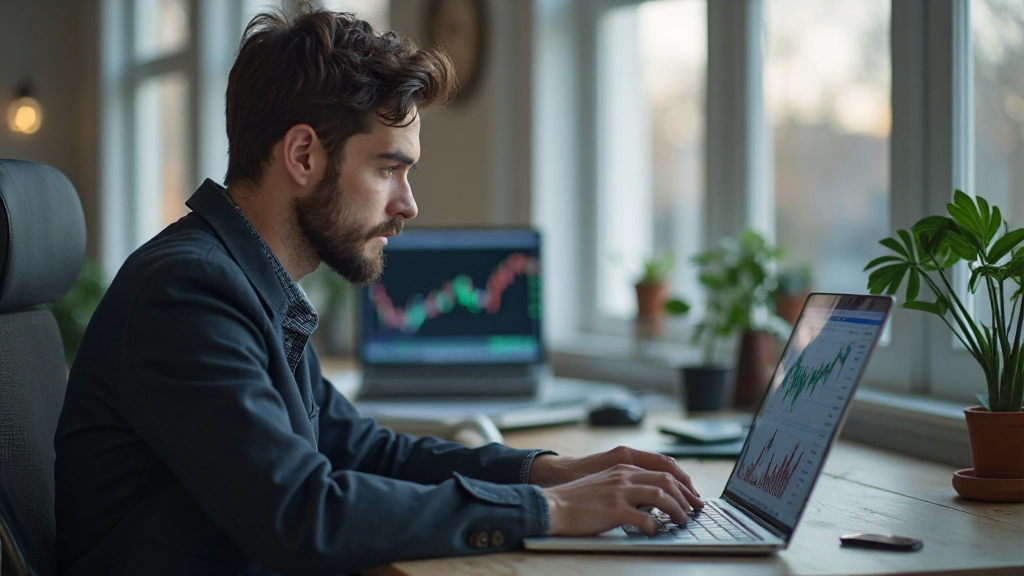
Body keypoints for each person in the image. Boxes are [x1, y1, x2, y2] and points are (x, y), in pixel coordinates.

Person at [53, 6, 703, 575]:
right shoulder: (189, 293)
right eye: (389, 168)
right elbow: (303, 514)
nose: (408, 204)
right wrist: (546, 510)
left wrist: (542, 470)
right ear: (303, 156)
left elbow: (364, 451)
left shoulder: (247, 284)